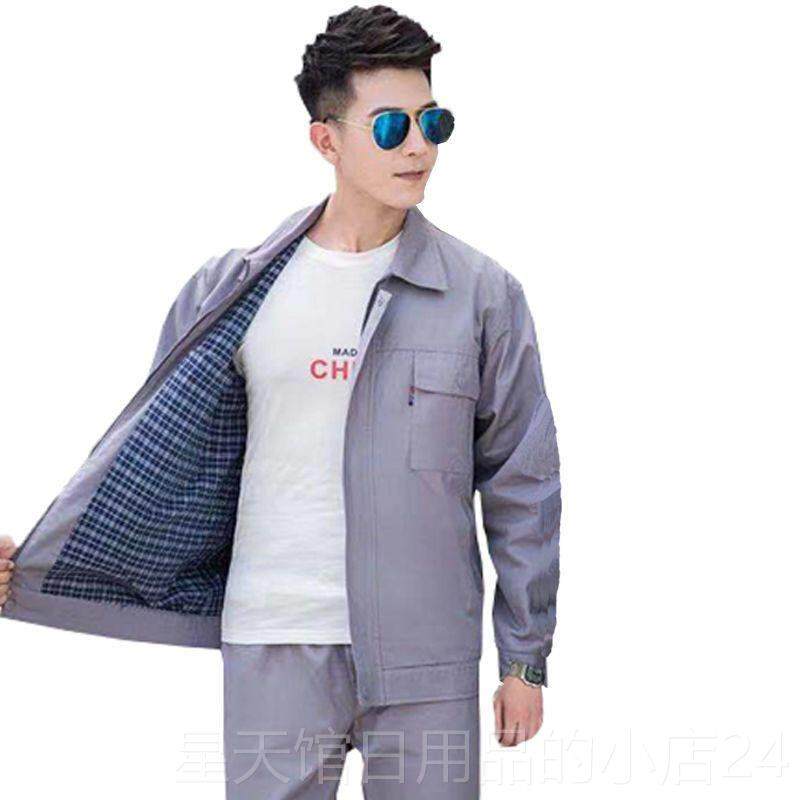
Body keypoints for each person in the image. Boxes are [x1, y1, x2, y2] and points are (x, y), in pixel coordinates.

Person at [0, 5, 561, 797]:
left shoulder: (482, 296)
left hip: (427, 653)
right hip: (273, 639)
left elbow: (522, 483)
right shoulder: (231, 293)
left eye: (434, 121)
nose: (419, 146)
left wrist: (524, 659)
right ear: (325, 140)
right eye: (392, 126)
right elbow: (157, 467)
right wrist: (32, 566)